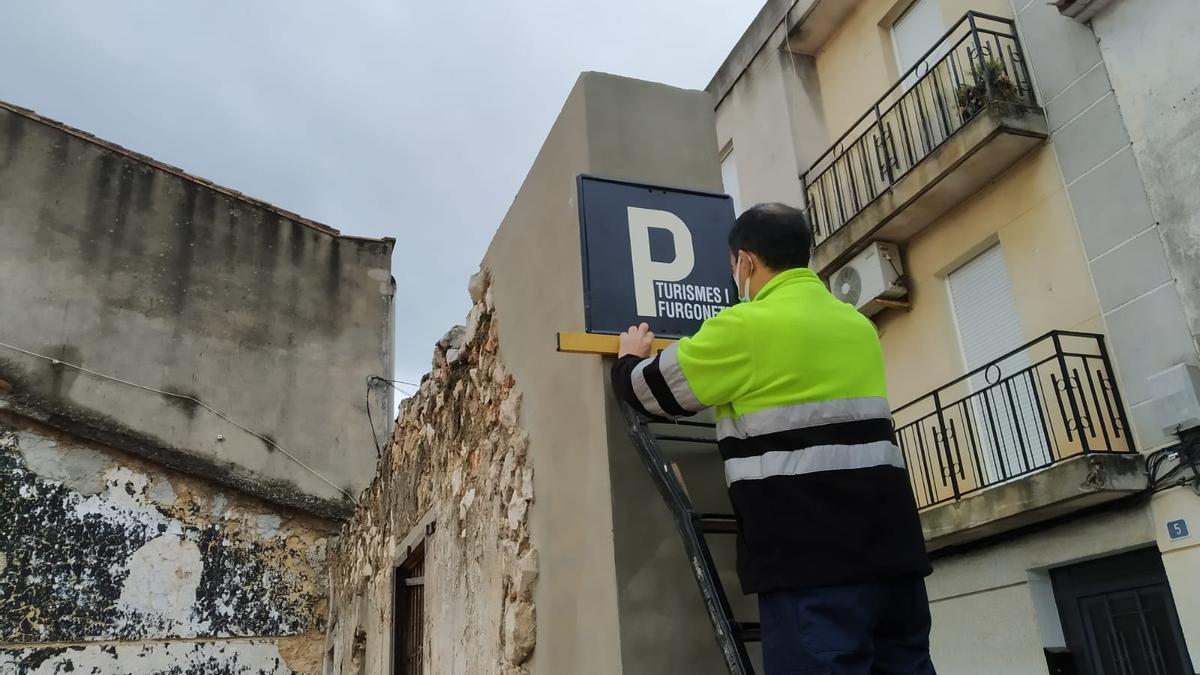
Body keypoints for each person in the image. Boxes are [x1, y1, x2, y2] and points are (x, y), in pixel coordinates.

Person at [611, 203, 935, 675]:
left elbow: (648, 392)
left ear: (745, 262)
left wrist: (627, 359)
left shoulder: (745, 327)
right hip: (896, 565)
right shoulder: (857, 326)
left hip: (811, 570)